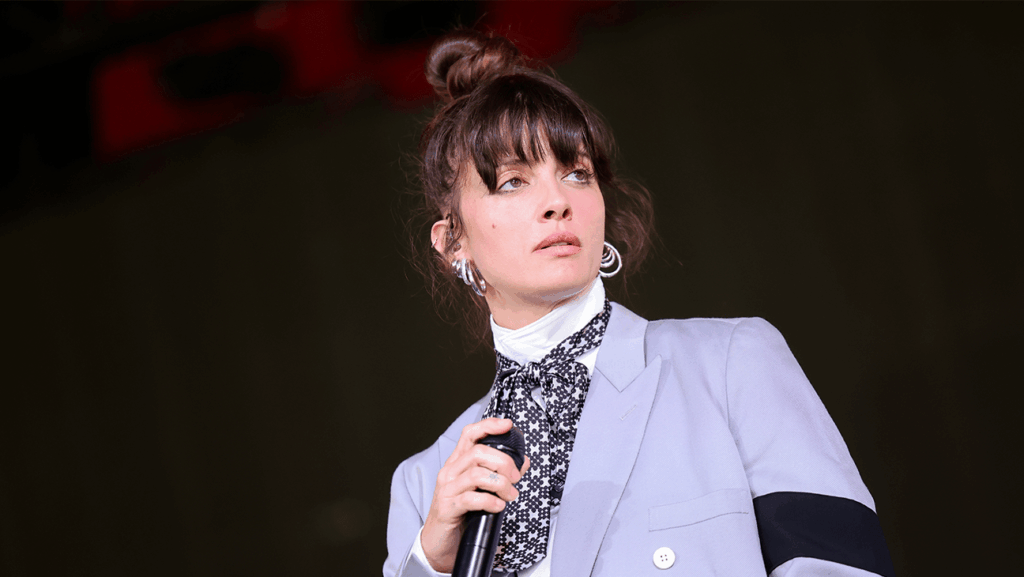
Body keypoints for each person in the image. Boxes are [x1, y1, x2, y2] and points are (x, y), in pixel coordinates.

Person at [385, 29, 894, 577]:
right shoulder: (425, 485)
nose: (557, 202)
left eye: (577, 174)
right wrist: (433, 562)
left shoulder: (727, 364)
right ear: (451, 242)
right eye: (512, 182)